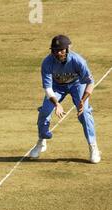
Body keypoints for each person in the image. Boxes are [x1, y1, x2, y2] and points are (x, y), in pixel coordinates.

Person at [30, 35, 100, 163]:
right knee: (45, 110)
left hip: (77, 84)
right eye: (55, 50)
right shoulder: (47, 62)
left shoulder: (78, 61)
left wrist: (82, 101)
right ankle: (41, 141)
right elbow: (48, 88)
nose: (58, 53)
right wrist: (57, 104)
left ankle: (93, 146)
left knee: (84, 112)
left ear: (68, 49)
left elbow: (90, 82)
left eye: (61, 50)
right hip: (57, 87)